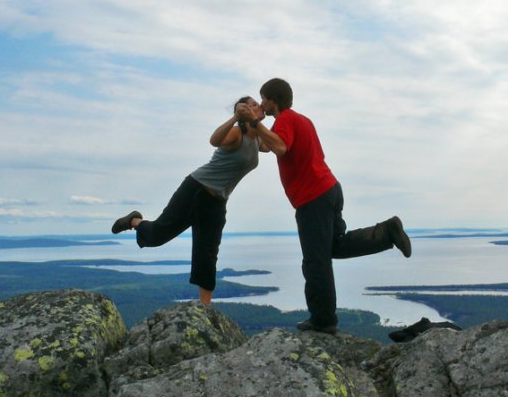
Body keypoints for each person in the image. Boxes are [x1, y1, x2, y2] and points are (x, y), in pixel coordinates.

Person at [238, 78, 412, 334]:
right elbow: (265, 146)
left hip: (313, 198)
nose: (261, 103)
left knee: (315, 262)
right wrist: (250, 125)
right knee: (335, 245)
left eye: (263, 98)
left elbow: (280, 147)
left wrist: (254, 122)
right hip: (329, 189)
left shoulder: (285, 119)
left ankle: (323, 320)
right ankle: (387, 232)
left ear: (272, 99)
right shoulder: (300, 119)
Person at [111, 97, 265, 306]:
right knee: (157, 236)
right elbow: (215, 140)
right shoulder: (237, 134)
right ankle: (134, 221)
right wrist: (236, 117)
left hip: (217, 201)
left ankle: (204, 307)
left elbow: (278, 144)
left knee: (208, 252)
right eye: (252, 104)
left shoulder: (258, 140)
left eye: (258, 103)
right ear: (244, 111)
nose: (257, 106)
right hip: (196, 189)